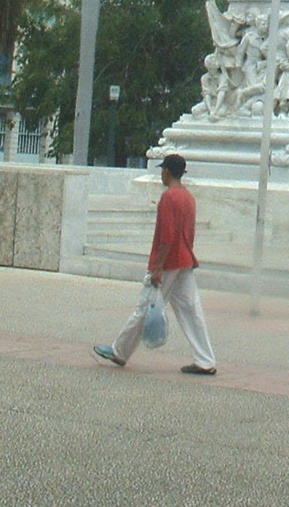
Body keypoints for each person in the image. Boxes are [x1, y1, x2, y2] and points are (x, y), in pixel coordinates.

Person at [92, 153, 217, 376]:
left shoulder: (169, 198)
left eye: (162, 170)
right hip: (185, 259)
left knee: (145, 307)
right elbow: (188, 232)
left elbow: (166, 236)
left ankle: (119, 351)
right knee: (191, 310)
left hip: (169, 262)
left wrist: (158, 267)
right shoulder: (188, 197)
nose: (161, 174)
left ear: (167, 172)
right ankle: (205, 359)